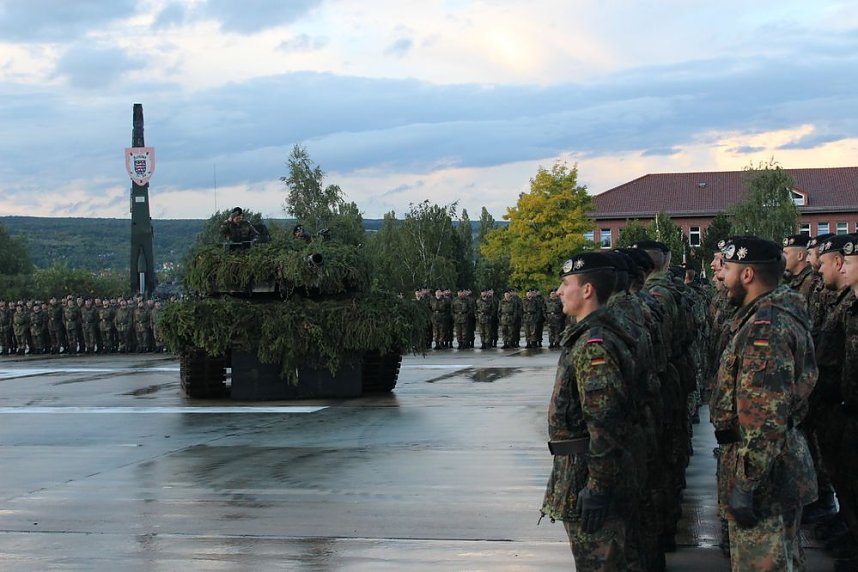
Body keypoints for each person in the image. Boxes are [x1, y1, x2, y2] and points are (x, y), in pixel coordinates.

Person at [710, 236, 817, 570]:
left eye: (726, 269)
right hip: (772, 464)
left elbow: (763, 416)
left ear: (746, 275)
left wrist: (747, 482)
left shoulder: (765, 328)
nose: (720, 277)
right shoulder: (770, 314)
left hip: (765, 475)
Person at [541, 251, 638, 570]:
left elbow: (605, 422)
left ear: (587, 290)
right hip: (580, 472)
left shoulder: (593, 344)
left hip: (589, 475)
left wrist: (597, 487)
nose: (558, 291)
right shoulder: (590, 336)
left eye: (565, 283)